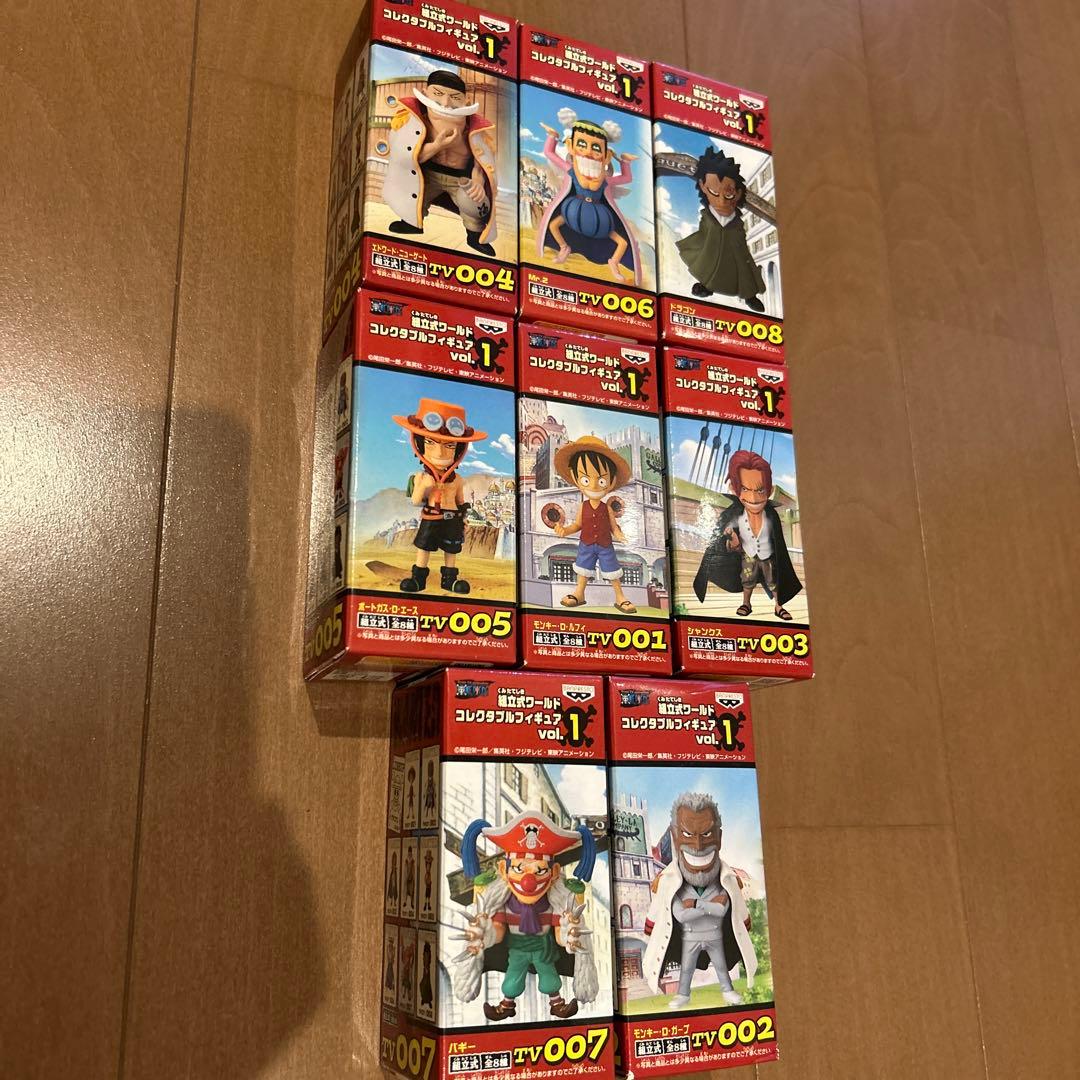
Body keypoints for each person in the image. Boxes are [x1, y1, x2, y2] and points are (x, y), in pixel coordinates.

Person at [452, 812, 598, 1021]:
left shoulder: (554, 902)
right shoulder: (502, 901)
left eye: (539, 871)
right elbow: (499, 932)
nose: (528, 881)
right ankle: (506, 1005)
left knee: (549, 976)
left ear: (554, 872)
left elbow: (559, 933)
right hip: (517, 947)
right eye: (519, 868)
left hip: (542, 947)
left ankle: (557, 1004)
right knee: (513, 978)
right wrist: (485, 934)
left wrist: (570, 935)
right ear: (504, 870)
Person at [642, 792, 757, 1008]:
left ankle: (728, 990)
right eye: (688, 834)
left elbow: (727, 912)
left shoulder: (728, 880)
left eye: (706, 834)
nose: (697, 845)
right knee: (686, 970)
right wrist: (711, 906)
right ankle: (683, 995)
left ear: (719, 837)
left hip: (715, 935)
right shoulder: (668, 882)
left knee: (721, 967)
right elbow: (679, 915)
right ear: (675, 836)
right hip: (689, 938)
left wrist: (695, 905)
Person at [384, 70, 498, 256]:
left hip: (460, 179)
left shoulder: (475, 131)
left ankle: (474, 234)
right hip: (427, 174)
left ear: (466, 102)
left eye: (455, 98)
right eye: (438, 94)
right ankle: (411, 223)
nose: (445, 103)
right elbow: (410, 157)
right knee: (414, 192)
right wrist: (437, 146)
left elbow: (481, 161)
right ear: (425, 93)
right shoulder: (415, 122)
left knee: (472, 202)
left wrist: (478, 181)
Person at [692, 449, 801, 620]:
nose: (753, 498)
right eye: (745, 489)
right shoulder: (733, 515)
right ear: (733, 488)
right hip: (747, 555)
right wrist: (732, 541)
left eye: (760, 490)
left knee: (773, 580)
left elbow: (778, 542)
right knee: (747, 579)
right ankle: (746, 603)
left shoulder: (771, 516)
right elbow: (724, 541)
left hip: (768, 556)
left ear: (770, 489)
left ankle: (778, 606)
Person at [393, 399, 487, 595]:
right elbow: (415, 501)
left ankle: (449, 581)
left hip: (452, 519)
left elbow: (461, 502)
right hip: (431, 517)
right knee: (424, 547)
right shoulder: (421, 477)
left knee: (451, 550)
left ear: (459, 450)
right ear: (419, 444)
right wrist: (424, 486)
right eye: (430, 442)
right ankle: (418, 579)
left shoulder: (458, 480)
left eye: (450, 445)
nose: (440, 452)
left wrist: (464, 518)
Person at [536, 116, 639, 283]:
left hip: (599, 220)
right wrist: (552, 136)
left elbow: (627, 178)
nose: (589, 152)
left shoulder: (605, 180)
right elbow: (549, 153)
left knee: (623, 243)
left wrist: (625, 161)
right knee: (553, 225)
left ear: (606, 156)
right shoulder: (571, 170)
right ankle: (564, 248)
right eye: (582, 144)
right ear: (571, 146)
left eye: (596, 147)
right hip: (573, 211)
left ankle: (614, 263)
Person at [552, 436, 636, 614]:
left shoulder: (607, 508)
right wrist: (565, 531)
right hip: (586, 544)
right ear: (575, 478)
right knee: (583, 570)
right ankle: (579, 593)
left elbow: (614, 527)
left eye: (602, 481)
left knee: (613, 571)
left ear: (611, 482)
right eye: (585, 480)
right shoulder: (583, 506)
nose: (594, 485)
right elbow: (577, 525)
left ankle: (620, 597)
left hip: (605, 545)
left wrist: (620, 535)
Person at [677, 146, 766, 312]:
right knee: (708, 264)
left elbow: (741, 243)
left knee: (743, 270)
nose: (722, 201)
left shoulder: (736, 222)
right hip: (711, 249)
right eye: (714, 192)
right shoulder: (707, 216)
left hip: (735, 252)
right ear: (703, 186)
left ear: (737, 194)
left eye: (729, 195)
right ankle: (707, 286)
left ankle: (749, 296)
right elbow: (703, 234)